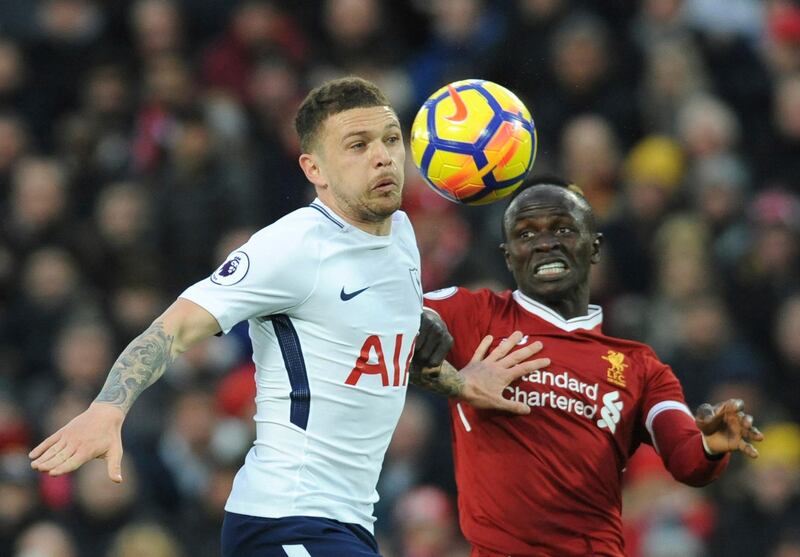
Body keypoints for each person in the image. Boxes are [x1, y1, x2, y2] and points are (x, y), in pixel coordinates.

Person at [27, 77, 547, 557]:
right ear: (313, 169)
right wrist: (108, 408)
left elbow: (382, 348)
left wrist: (461, 384)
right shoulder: (293, 247)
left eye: (391, 139)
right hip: (284, 519)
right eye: (358, 145)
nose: (384, 157)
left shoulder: (403, 237)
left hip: (348, 523)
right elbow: (175, 326)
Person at [416, 176, 764, 557]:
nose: (545, 243)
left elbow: (688, 460)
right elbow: (379, 326)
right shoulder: (473, 315)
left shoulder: (640, 367)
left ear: (594, 247)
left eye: (563, 229)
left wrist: (711, 443)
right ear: (508, 255)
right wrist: (456, 382)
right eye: (526, 234)